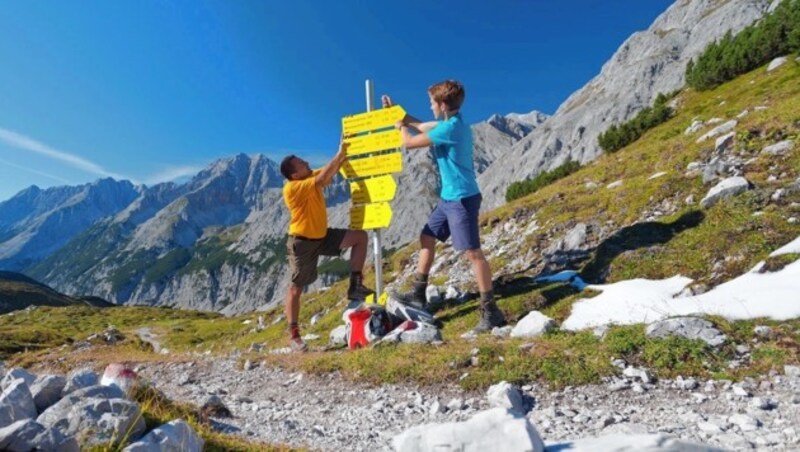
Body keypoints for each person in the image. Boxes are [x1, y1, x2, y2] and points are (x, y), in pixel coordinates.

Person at [382, 80, 506, 334]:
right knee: (427, 237)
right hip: (449, 198)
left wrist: (398, 127)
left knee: (473, 253)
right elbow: (417, 123)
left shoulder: (449, 130)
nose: (429, 106)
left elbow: (409, 141)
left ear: (442, 105)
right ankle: (418, 294)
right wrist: (398, 112)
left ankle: (490, 309)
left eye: (431, 102)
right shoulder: (450, 123)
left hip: (462, 199)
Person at [280, 140, 375, 351]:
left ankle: (355, 285)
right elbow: (324, 177)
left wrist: (349, 148)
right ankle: (294, 334)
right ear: (295, 174)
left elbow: (331, 170)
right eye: (302, 163)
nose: (307, 162)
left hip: (321, 236)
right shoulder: (293, 188)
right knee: (296, 287)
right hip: (302, 242)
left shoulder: (309, 176)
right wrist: (340, 152)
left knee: (360, 237)